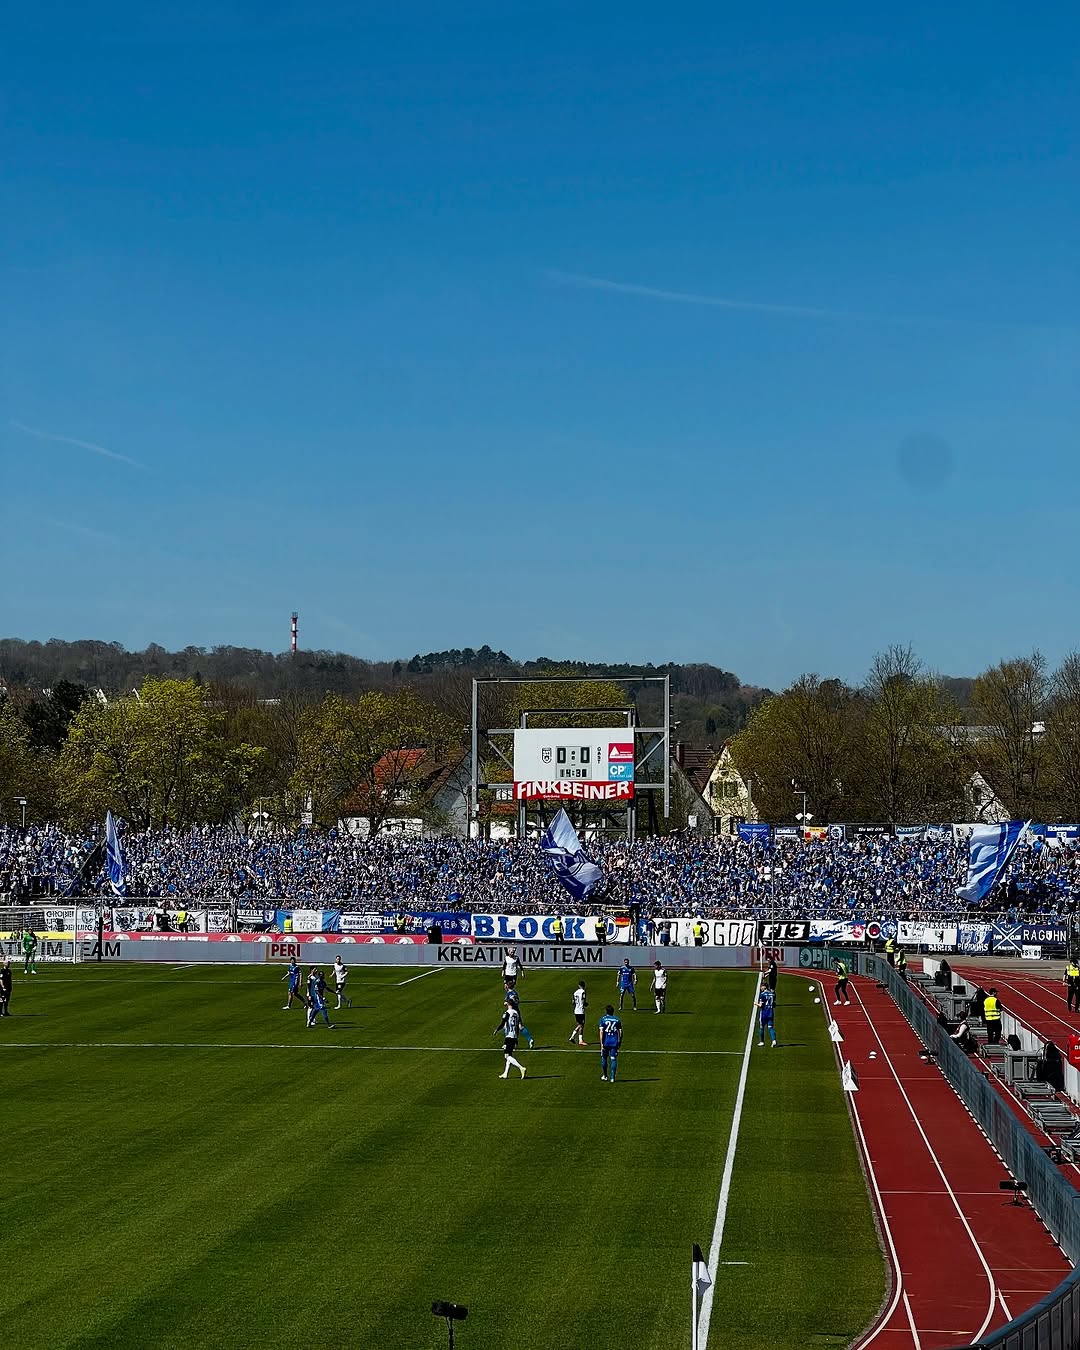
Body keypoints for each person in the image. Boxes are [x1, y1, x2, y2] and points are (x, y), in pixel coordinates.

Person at [494, 1000, 527, 1079]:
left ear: (508, 1004)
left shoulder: (507, 1013)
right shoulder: (516, 1013)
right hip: (514, 1035)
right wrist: (516, 1038)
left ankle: (521, 1068)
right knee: (509, 1055)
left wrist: (497, 1030)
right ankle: (505, 1073)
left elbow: (503, 1023)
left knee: (507, 1056)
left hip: (509, 1036)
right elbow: (517, 1026)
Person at [598, 1004, 623, 1082]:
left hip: (606, 1042)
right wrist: (619, 1041)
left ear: (606, 1011)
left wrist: (601, 1044)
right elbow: (620, 1032)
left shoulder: (603, 1019)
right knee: (613, 1059)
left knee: (604, 1058)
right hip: (614, 1042)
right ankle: (612, 1077)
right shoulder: (617, 1019)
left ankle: (605, 1075)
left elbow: (601, 1032)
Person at [568, 980, 588, 1044]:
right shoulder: (583, 992)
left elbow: (573, 1002)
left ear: (579, 985)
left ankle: (575, 1038)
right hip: (581, 1010)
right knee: (582, 1024)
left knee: (580, 1025)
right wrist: (585, 1004)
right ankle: (577, 1039)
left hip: (576, 1010)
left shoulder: (575, 992)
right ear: (584, 986)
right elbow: (584, 1001)